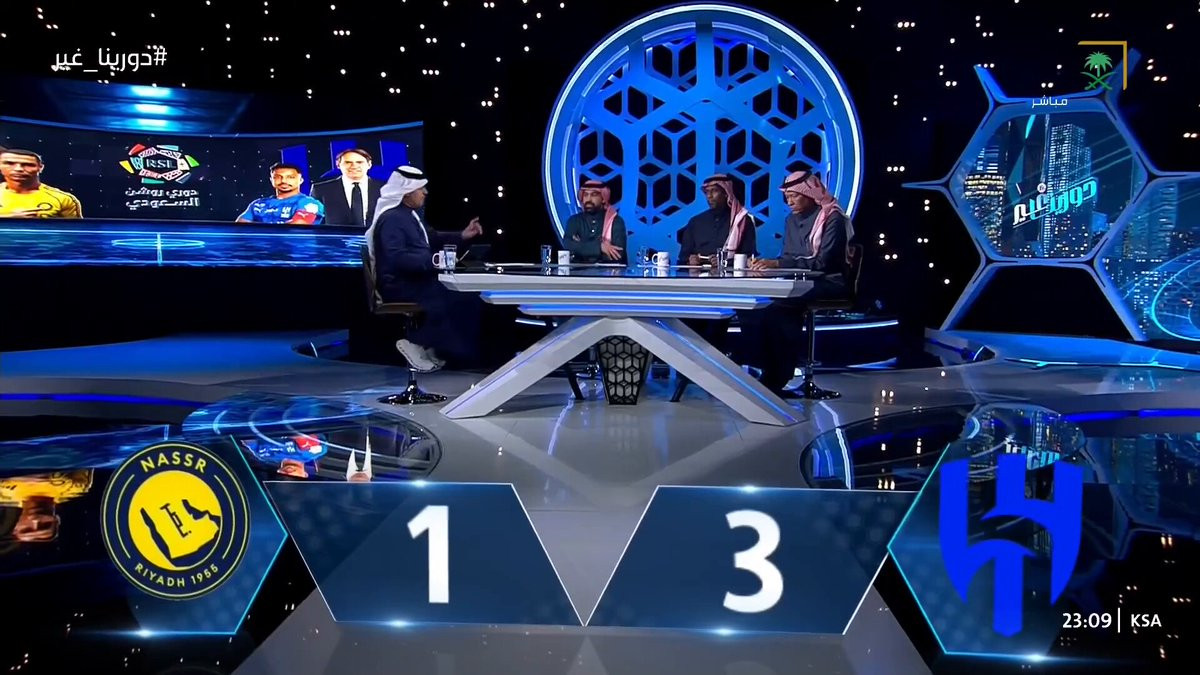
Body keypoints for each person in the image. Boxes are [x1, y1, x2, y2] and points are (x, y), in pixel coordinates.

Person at [738, 171, 854, 397]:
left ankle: (778, 376)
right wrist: (766, 268)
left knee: (779, 307)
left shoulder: (833, 218)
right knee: (754, 305)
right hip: (797, 282)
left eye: (794, 196)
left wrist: (778, 264)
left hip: (829, 282)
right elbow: (789, 257)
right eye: (787, 197)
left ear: (810, 194)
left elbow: (822, 263)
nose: (789, 201)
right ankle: (765, 367)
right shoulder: (791, 220)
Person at [366, 165, 486, 372]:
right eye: (421, 188)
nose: (425, 193)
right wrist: (434, 261)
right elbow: (397, 258)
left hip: (416, 280)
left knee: (465, 294)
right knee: (461, 297)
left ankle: (433, 348)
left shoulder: (408, 215)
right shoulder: (392, 219)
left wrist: (462, 236)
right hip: (401, 285)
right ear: (407, 192)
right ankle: (417, 343)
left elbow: (432, 238)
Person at [677, 173, 757, 265]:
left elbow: (748, 258)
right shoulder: (695, 222)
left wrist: (724, 262)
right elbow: (683, 258)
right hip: (699, 273)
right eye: (707, 192)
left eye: (714, 191)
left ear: (726, 193)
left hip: (730, 273)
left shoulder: (742, 221)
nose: (709, 196)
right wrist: (690, 260)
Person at [310, 148, 383, 227]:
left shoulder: (384, 188)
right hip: (336, 234)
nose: (354, 166)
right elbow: (313, 221)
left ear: (369, 164)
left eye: (359, 162)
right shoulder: (321, 190)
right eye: (348, 162)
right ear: (338, 165)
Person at [0, 148, 83, 218]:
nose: (18, 169)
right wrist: (8, 218)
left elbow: (76, 230)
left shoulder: (64, 199)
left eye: (28, 165)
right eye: (9, 163)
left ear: (41, 168)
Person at [237, 162, 326, 224]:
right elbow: (240, 228)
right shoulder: (257, 204)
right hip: (259, 246)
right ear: (271, 180)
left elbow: (298, 227)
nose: (283, 181)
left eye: (290, 177)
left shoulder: (310, 203)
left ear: (301, 180)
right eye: (278, 177)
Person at [563, 179, 626, 263]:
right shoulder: (574, 221)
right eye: (585, 195)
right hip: (579, 271)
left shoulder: (616, 222)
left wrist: (581, 246)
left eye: (594, 195)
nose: (588, 199)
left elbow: (617, 255)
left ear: (603, 199)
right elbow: (567, 245)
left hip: (607, 271)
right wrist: (600, 247)